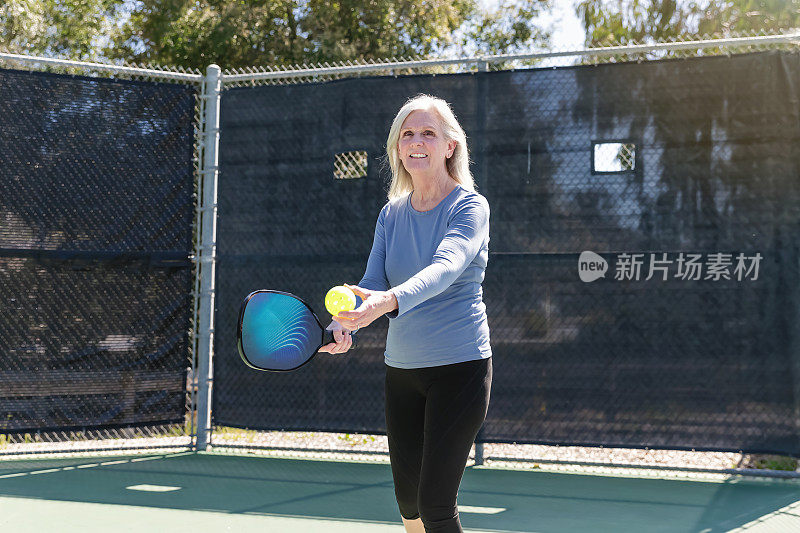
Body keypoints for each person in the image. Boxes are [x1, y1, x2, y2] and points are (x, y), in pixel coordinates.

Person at [319, 93, 492, 533]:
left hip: (461, 369)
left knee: (435, 503)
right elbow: (371, 282)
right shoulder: (390, 214)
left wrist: (385, 302)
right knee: (408, 505)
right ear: (398, 147)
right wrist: (347, 320)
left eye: (429, 133)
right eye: (408, 134)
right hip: (403, 371)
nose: (417, 142)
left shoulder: (470, 207)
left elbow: (444, 269)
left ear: (450, 146)